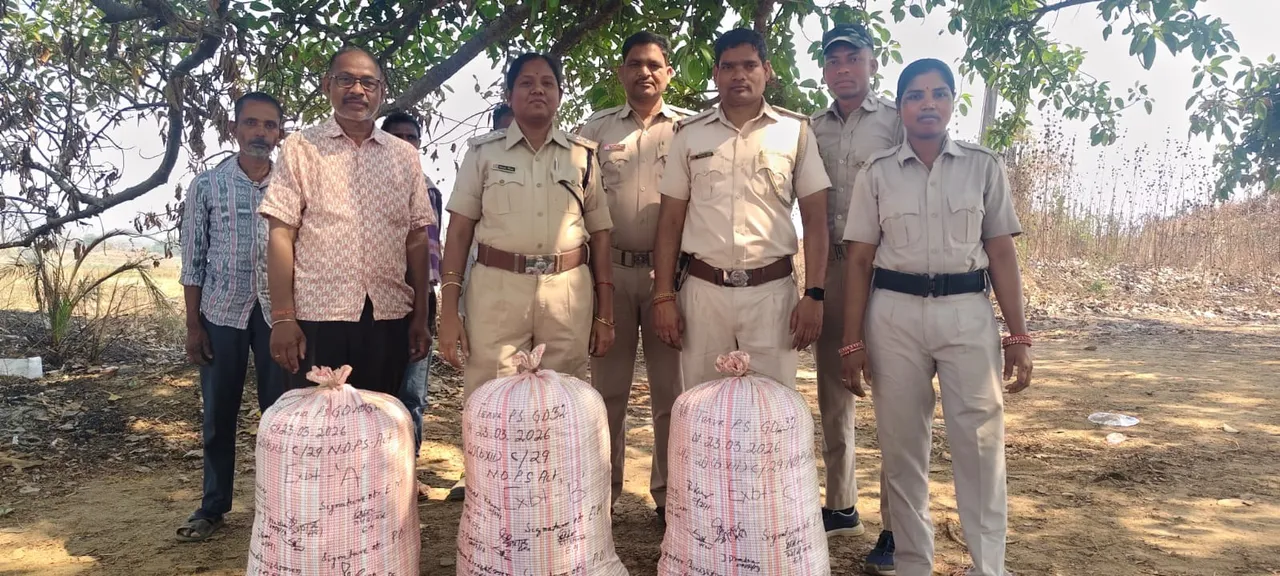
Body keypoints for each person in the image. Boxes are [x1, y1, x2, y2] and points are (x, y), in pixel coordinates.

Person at [839, 58, 1033, 576]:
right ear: (900, 106)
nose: (928, 104)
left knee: (980, 444)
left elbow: (1001, 252)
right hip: (893, 317)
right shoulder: (876, 173)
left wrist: (1018, 334)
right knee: (902, 446)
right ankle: (913, 563)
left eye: (939, 94)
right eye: (916, 95)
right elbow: (858, 260)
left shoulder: (982, 166)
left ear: (951, 102)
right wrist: (852, 342)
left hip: (967, 313)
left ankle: (988, 566)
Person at [436, 52, 616, 497]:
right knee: (490, 395)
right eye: (527, 83)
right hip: (497, 290)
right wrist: (449, 311)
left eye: (548, 83)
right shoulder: (483, 154)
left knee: (563, 397)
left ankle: (555, 500)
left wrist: (606, 312)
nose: (538, 90)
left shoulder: (582, 156)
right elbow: (458, 232)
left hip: (567, 290)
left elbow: (601, 235)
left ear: (559, 94)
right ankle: (491, 498)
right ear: (508, 94)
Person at [653, 28, 831, 390]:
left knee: (771, 405)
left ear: (767, 70)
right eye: (729, 66)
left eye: (749, 65)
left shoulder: (795, 132)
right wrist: (664, 296)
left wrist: (814, 294)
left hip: (771, 296)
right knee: (703, 404)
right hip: (703, 294)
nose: (739, 75)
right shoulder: (689, 134)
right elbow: (670, 221)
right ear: (715, 74)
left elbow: (815, 219)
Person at [260, 46, 435, 393]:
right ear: (327, 85)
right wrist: (282, 317)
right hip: (317, 316)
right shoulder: (300, 148)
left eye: (368, 83)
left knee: (380, 416)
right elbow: (281, 234)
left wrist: (420, 317)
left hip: (388, 316)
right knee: (319, 420)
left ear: (382, 91)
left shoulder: (404, 156)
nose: (357, 90)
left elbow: (416, 238)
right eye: (346, 80)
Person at [577, 31, 693, 523]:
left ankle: (669, 497)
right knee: (607, 393)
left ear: (668, 73)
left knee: (672, 393)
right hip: (611, 276)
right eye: (634, 64)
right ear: (620, 72)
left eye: (653, 64)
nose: (644, 72)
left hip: (672, 280)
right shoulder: (593, 130)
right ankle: (603, 495)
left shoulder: (689, 131)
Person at [810, 22, 905, 568]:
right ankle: (841, 504)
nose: (843, 68)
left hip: (886, 270)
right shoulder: (811, 129)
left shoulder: (895, 120)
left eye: (853, 58)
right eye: (834, 60)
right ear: (825, 71)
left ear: (872, 63)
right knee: (834, 391)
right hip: (832, 269)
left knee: (893, 395)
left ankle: (895, 526)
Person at [176, 91, 286, 542]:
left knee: (279, 415)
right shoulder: (207, 185)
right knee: (219, 414)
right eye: (251, 123)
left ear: (280, 134)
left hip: (279, 315)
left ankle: (279, 505)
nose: (260, 132)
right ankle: (213, 506)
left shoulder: (293, 185)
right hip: (221, 311)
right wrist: (193, 325)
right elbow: (192, 259)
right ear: (234, 129)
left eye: (270, 125)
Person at [380, 111, 443, 500]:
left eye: (412, 137)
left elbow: (432, 252)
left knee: (413, 394)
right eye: (397, 136)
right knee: (378, 391)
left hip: (421, 299)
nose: (405, 143)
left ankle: (407, 475)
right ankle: (378, 475)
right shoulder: (367, 185)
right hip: (378, 301)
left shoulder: (429, 189)